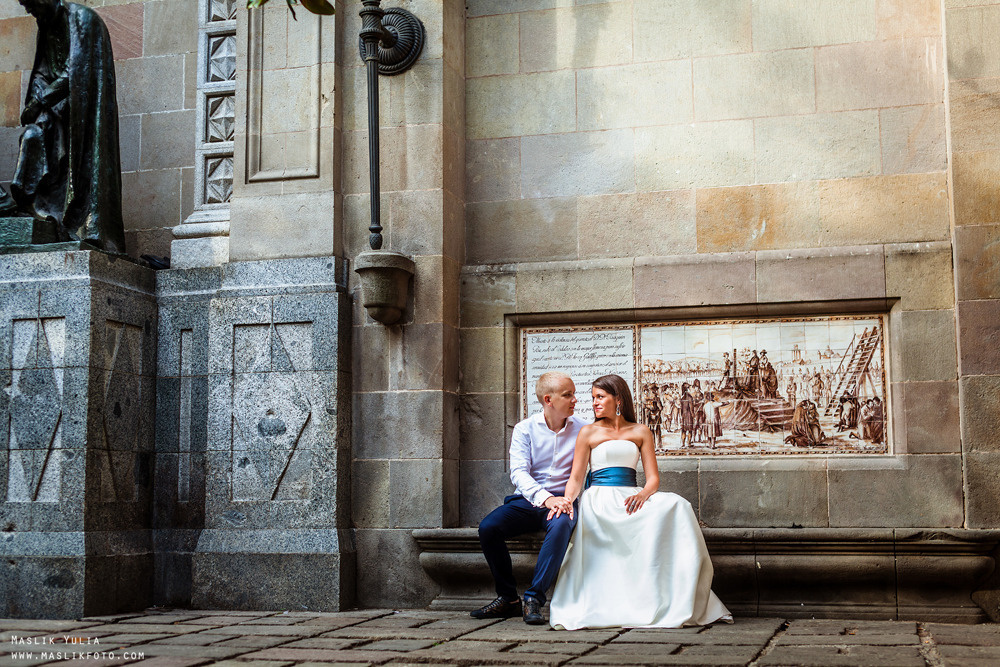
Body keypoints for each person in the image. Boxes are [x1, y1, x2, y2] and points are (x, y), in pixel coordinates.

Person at [548, 374, 731, 630]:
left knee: (679, 506)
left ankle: (677, 595)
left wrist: (643, 495)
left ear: (618, 399)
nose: (594, 403)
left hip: (632, 495)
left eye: (600, 397)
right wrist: (567, 501)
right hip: (599, 499)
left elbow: (653, 478)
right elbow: (576, 477)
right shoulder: (588, 432)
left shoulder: (640, 431)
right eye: (593, 398)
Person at [7, 0, 125, 252]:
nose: (29, 11)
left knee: (80, 167)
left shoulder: (82, 19)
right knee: (31, 135)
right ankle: (32, 207)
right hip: (55, 111)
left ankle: (79, 223)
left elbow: (77, 70)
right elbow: (42, 71)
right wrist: (36, 100)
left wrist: (42, 100)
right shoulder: (46, 25)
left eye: (31, 5)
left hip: (81, 112)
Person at [473, 371, 586, 625]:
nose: (575, 400)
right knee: (488, 528)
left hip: (564, 500)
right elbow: (519, 473)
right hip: (528, 500)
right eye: (568, 395)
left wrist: (562, 500)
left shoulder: (582, 429)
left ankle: (534, 598)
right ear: (549, 399)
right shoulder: (525, 429)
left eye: (573, 394)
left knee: (561, 525)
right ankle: (508, 599)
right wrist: (546, 498)